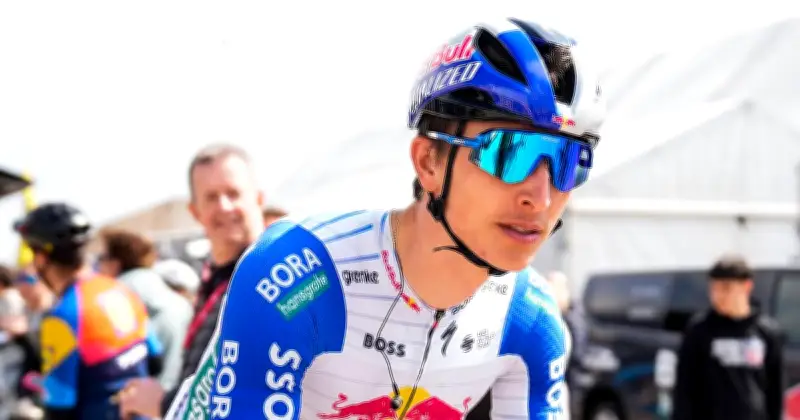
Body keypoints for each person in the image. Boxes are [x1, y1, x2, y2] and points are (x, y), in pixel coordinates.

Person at [166, 18, 605, 419]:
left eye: (570, 162)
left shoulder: (532, 319)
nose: (540, 197)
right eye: (511, 153)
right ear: (428, 162)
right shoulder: (297, 273)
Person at [118, 143, 266, 419]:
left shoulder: (272, 277)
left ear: (258, 199)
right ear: (195, 211)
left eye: (233, 193)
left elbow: (256, 391)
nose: (224, 206)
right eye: (211, 197)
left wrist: (162, 403)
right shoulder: (213, 275)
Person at [12, 202, 163, 420]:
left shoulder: (62, 316)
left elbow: (59, 407)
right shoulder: (120, 289)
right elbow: (156, 361)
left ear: (41, 258)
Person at [672, 255, 784, 420]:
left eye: (726, 288)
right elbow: (684, 389)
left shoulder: (766, 332)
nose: (718, 296)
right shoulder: (700, 331)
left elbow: (775, 391)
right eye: (714, 289)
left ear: (746, 287)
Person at [97, 229, 194, 391]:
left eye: (102, 257)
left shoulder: (114, 295)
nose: (99, 265)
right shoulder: (173, 296)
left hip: (141, 397)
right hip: (181, 395)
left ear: (115, 262)